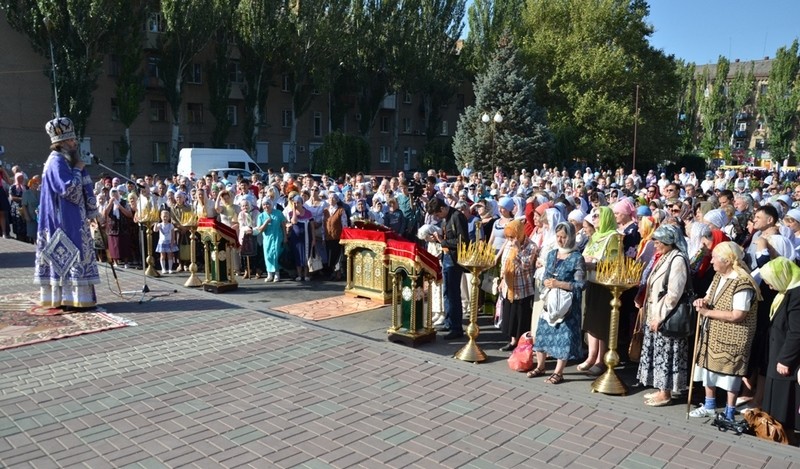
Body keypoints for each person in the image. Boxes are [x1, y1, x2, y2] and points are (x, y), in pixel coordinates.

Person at [35, 117, 100, 309]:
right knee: (71, 254)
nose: (75, 143)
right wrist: (79, 170)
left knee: (77, 254)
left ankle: (76, 299)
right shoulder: (56, 161)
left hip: (72, 218)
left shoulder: (65, 160)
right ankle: (69, 299)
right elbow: (69, 190)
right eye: (71, 141)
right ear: (61, 142)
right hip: (61, 221)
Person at [690, 242, 759, 420]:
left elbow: (738, 315)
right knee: (708, 370)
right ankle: (709, 405)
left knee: (730, 375)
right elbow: (708, 297)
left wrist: (708, 312)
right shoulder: (718, 276)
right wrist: (701, 302)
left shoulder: (742, 282)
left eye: (714, 257)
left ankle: (729, 412)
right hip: (712, 332)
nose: (711, 261)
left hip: (733, 335)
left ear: (727, 260)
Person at [637, 224, 691, 407]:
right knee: (658, 351)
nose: (655, 244)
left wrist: (660, 316)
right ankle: (661, 388)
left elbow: (673, 294)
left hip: (666, 316)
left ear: (669, 241)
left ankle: (666, 392)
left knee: (667, 353)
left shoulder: (677, 259)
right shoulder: (666, 256)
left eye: (658, 241)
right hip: (655, 312)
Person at [529, 222, 586, 384]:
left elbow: (580, 285)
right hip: (550, 300)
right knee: (543, 332)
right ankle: (541, 366)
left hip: (567, 305)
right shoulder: (552, 254)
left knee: (563, 337)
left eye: (564, 237)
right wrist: (547, 282)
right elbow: (546, 274)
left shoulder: (577, 258)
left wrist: (559, 284)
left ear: (571, 237)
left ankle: (558, 372)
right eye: (558, 237)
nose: (560, 240)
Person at [757, 257, 800, 433]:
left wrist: (785, 359)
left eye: (770, 282)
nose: (769, 286)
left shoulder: (796, 296)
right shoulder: (786, 292)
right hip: (777, 354)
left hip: (786, 360)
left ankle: (783, 434)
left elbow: (796, 332)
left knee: (783, 404)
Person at [579, 207, 618, 376]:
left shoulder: (613, 237)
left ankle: (600, 359)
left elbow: (615, 263)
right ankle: (591, 355)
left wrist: (594, 265)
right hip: (591, 281)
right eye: (593, 216)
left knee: (601, 323)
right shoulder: (594, 236)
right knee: (590, 320)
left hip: (604, 284)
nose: (594, 218)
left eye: (597, 216)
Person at [427, 196, 470, 340]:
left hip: (454, 260)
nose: (438, 218)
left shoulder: (457, 217)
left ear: (443, 208)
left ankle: (456, 328)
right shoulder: (446, 218)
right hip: (446, 257)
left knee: (453, 294)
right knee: (446, 292)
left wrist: (442, 241)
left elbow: (462, 241)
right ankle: (449, 322)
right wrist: (439, 239)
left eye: (438, 214)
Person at [496, 220, 537, 352]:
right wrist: (502, 279)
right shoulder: (508, 243)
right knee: (510, 315)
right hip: (509, 286)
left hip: (523, 286)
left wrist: (518, 249)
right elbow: (504, 262)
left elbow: (526, 265)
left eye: (512, 237)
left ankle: (522, 342)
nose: (510, 240)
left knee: (521, 315)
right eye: (508, 237)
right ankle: (512, 341)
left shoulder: (531, 246)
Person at [254, 199, 287, 282]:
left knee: (275, 255)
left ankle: (277, 273)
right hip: (267, 239)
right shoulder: (261, 216)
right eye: (264, 205)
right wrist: (265, 222)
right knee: (268, 256)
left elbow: (283, 225)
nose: (266, 206)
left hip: (277, 237)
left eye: (267, 204)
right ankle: (269, 274)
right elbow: (260, 230)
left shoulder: (278, 213)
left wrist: (285, 236)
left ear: (271, 204)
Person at [286, 194, 315, 281]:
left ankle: (306, 275)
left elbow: (312, 227)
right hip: (296, 240)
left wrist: (313, 239)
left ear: (302, 203)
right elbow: (294, 221)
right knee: (298, 256)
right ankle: (299, 275)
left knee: (306, 256)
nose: (296, 204)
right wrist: (294, 210)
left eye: (298, 203)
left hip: (306, 238)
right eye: (294, 203)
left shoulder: (308, 213)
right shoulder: (291, 213)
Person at [153, 209, 177, 274]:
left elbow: (173, 235)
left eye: (166, 216)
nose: (165, 218)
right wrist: (156, 223)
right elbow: (155, 230)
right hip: (162, 242)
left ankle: (170, 269)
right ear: (161, 217)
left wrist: (172, 242)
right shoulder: (160, 225)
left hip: (169, 242)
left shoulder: (171, 225)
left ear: (169, 217)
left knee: (170, 255)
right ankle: (163, 269)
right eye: (164, 216)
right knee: (162, 255)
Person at [21, 175, 41, 243]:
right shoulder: (26, 193)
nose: (36, 185)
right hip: (31, 214)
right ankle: (34, 244)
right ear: (30, 184)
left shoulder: (40, 193)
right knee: (32, 232)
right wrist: (26, 216)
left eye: (37, 184)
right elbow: (24, 205)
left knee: (40, 231)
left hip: (40, 215)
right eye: (34, 184)